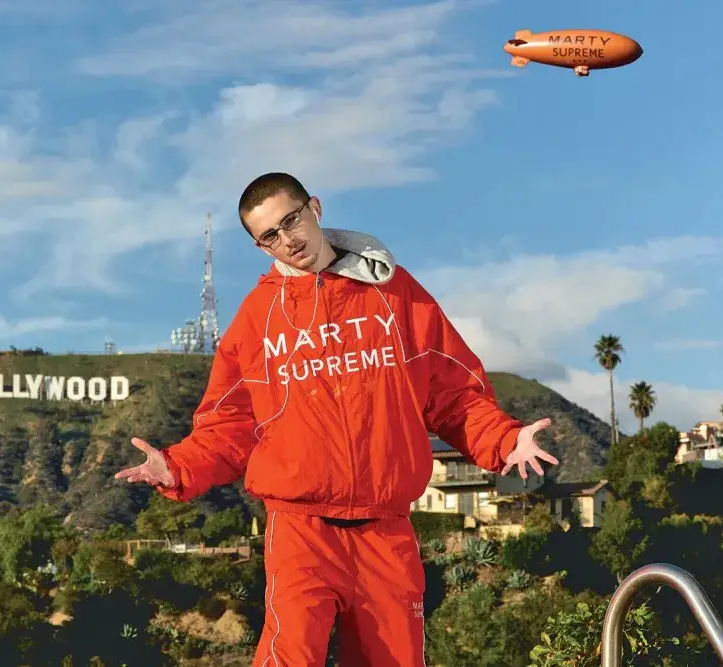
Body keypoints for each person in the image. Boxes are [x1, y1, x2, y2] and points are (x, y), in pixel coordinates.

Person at [115, 172, 558, 666]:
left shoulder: (396, 295)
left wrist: (505, 439)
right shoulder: (258, 318)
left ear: (315, 208)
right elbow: (231, 424)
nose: (288, 240)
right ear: (260, 247)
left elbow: (452, 393)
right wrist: (178, 466)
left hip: (386, 529)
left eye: (292, 220)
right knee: (288, 658)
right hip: (300, 530)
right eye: (270, 236)